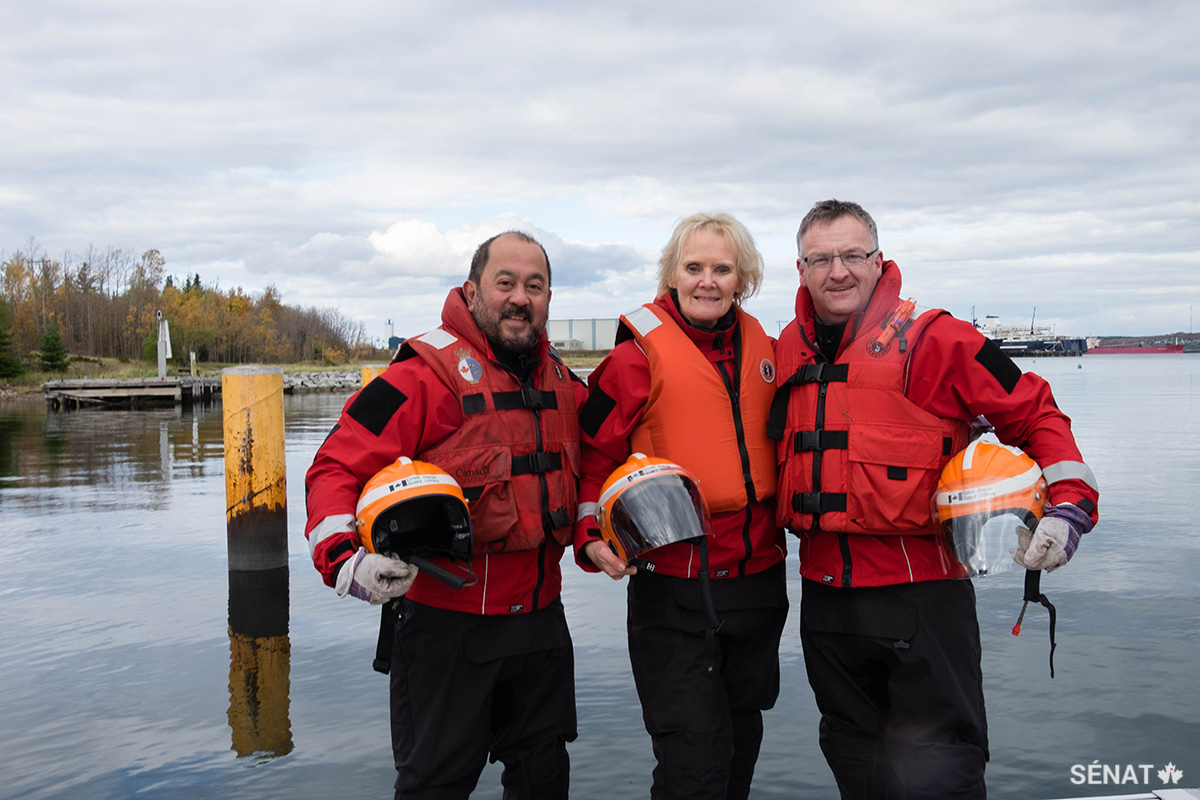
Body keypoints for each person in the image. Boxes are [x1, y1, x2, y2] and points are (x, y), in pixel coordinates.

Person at [771, 199, 1100, 799]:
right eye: (821, 259)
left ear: (879, 261)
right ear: (800, 269)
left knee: (939, 766)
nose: (837, 271)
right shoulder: (785, 349)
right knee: (853, 757)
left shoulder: (939, 339)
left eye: (852, 255)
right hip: (825, 604)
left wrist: (1070, 505)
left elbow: (1034, 410)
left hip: (921, 598)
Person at [304, 231, 588, 800]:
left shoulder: (561, 382)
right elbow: (333, 468)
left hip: (540, 626)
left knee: (544, 783)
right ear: (472, 290)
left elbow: (604, 463)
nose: (519, 298)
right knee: (434, 786)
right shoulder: (420, 375)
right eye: (504, 283)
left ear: (549, 298)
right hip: (446, 631)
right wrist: (344, 562)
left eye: (534, 286)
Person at [574, 212, 789, 800]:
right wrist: (588, 535)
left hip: (759, 583)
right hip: (672, 587)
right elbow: (592, 458)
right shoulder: (633, 358)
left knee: (740, 746)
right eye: (694, 267)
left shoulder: (769, 349)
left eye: (722, 269)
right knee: (692, 762)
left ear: (743, 278)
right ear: (672, 272)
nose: (707, 281)